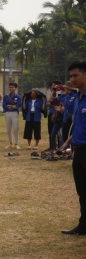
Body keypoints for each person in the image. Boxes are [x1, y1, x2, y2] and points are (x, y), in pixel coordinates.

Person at [60, 60, 86, 235]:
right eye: (70, 76)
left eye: (76, 75)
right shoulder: (77, 98)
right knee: (82, 190)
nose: (72, 79)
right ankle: (84, 226)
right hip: (78, 149)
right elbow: (78, 124)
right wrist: (69, 141)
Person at [2, 82, 22, 149]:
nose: (11, 88)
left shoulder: (18, 97)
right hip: (7, 113)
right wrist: (11, 106)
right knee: (8, 129)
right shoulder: (6, 96)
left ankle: (16, 143)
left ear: (15, 88)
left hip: (14, 113)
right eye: (10, 87)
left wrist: (10, 106)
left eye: (13, 87)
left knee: (16, 128)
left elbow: (18, 105)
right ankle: (10, 143)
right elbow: (4, 105)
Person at [46, 80, 62, 151]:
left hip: (59, 115)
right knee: (51, 132)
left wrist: (52, 104)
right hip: (51, 114)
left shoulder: (60, 94)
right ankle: (52, 147)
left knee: (60, 133)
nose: (52, 86)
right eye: (52, 85)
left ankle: (60, 147)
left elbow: (58, 103)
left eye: (54, 85)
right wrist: (52, 92)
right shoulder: (52, 94)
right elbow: (48, 103)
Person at [50, 84, 66, 153]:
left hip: (63, 119)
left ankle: (62, 149)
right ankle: (52, 149)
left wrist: (61, 110)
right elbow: (49, 100)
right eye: (57, 90)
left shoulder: (66, 98)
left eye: (59, 90)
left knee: (62, 135)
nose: (58, 91)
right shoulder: (57, 98)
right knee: (53, 134)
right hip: (58, 119)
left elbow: (65, 110)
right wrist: (53, 92)